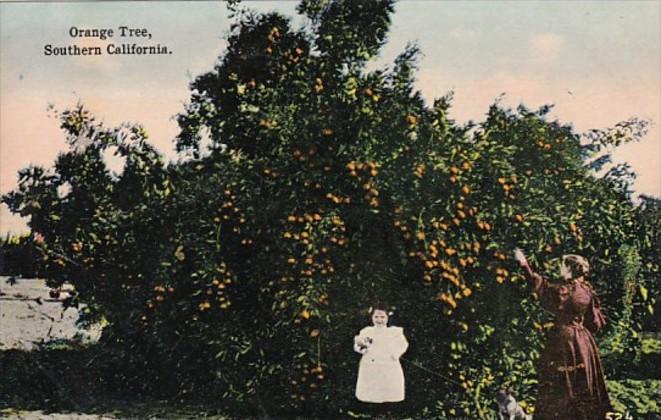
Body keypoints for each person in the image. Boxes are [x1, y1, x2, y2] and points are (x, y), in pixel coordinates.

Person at [514, 250, 612, 420]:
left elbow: (540, 286)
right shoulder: (587, 291)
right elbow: (595, 324)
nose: (559, 269)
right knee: (581, 381)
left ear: (570, 269)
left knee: (560, 381)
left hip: (563, 338)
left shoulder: (564, 290)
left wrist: (524, 264)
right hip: (584, 341)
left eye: (562, 266)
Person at [353, 307, 408, 403]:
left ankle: (388, 410)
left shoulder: (394, 332)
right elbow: (358, 347)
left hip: (388, 363)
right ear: (372, 318)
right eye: (376, 317)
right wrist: (362, 345)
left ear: (387, 318)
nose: (379, 320)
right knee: (371, 388)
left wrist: (394, 354)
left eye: (382, 317)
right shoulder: (366, 331)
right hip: (370, 363)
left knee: (388, 387)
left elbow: (403, 344)